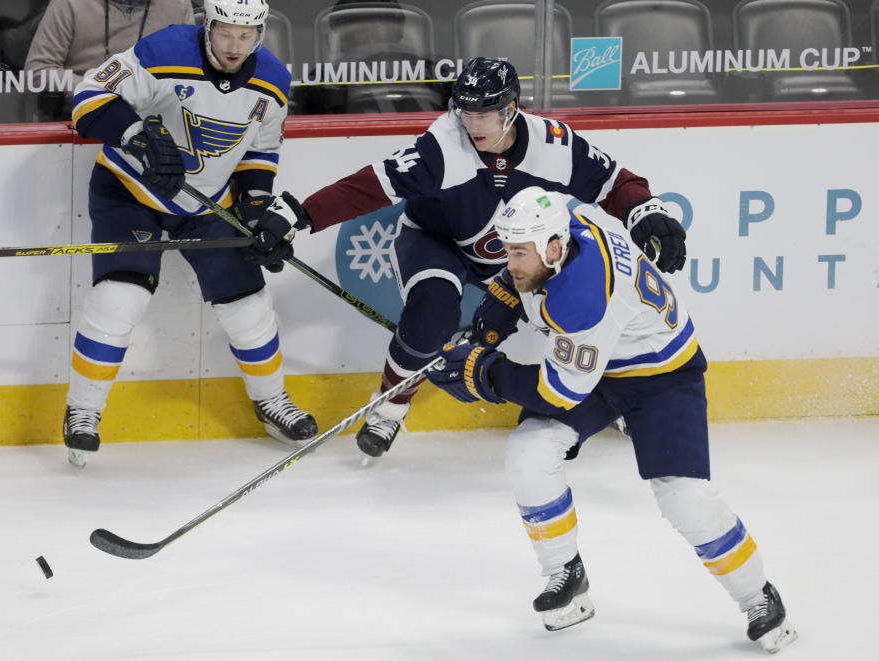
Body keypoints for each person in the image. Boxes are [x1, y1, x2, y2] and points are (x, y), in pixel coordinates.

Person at [424, 186, 797, 653]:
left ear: (554, 249)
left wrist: (483, 372)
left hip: (661, 375)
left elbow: (559, 392)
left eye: (519, 254)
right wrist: (504, 293)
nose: (511, 261)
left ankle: (757, 597)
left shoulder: (582, 298)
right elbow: (550, 226)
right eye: (508, 250)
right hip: (597, 365)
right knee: (529, 451)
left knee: (683, 496)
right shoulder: (570, 225)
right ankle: (566, 572)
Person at [256, 56, 688, 458]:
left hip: (514, 253)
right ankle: (389, 408)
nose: (472, 124)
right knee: (432, 313)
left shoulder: (552, 145)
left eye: (484, 115)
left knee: (584, 307)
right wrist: (299, 215)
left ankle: (621, 393)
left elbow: (614, 181)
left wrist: (644, 209)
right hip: (435, 240)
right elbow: (369, 187)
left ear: (512, 109)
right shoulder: (443, 145)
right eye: (465, 113)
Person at [63, 0, 316, 467]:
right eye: (226, 33)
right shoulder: (162, 50)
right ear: (207, 25)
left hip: (209, 202)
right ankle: (83, 410)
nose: (236, 46)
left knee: (248, 304)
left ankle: (271, 401)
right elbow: (88, 98)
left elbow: (260, 150)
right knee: (122, 297)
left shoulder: (274, 81)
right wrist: (136, 136)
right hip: (128, 191)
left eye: (247, 35)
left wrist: (256, 206)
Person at [25, 0, 196, 119]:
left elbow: (193, 75)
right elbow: (37, 70)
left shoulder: (178, 6)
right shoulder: (69, 3)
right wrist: (100, 87)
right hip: (79, 116)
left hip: (154, 119)